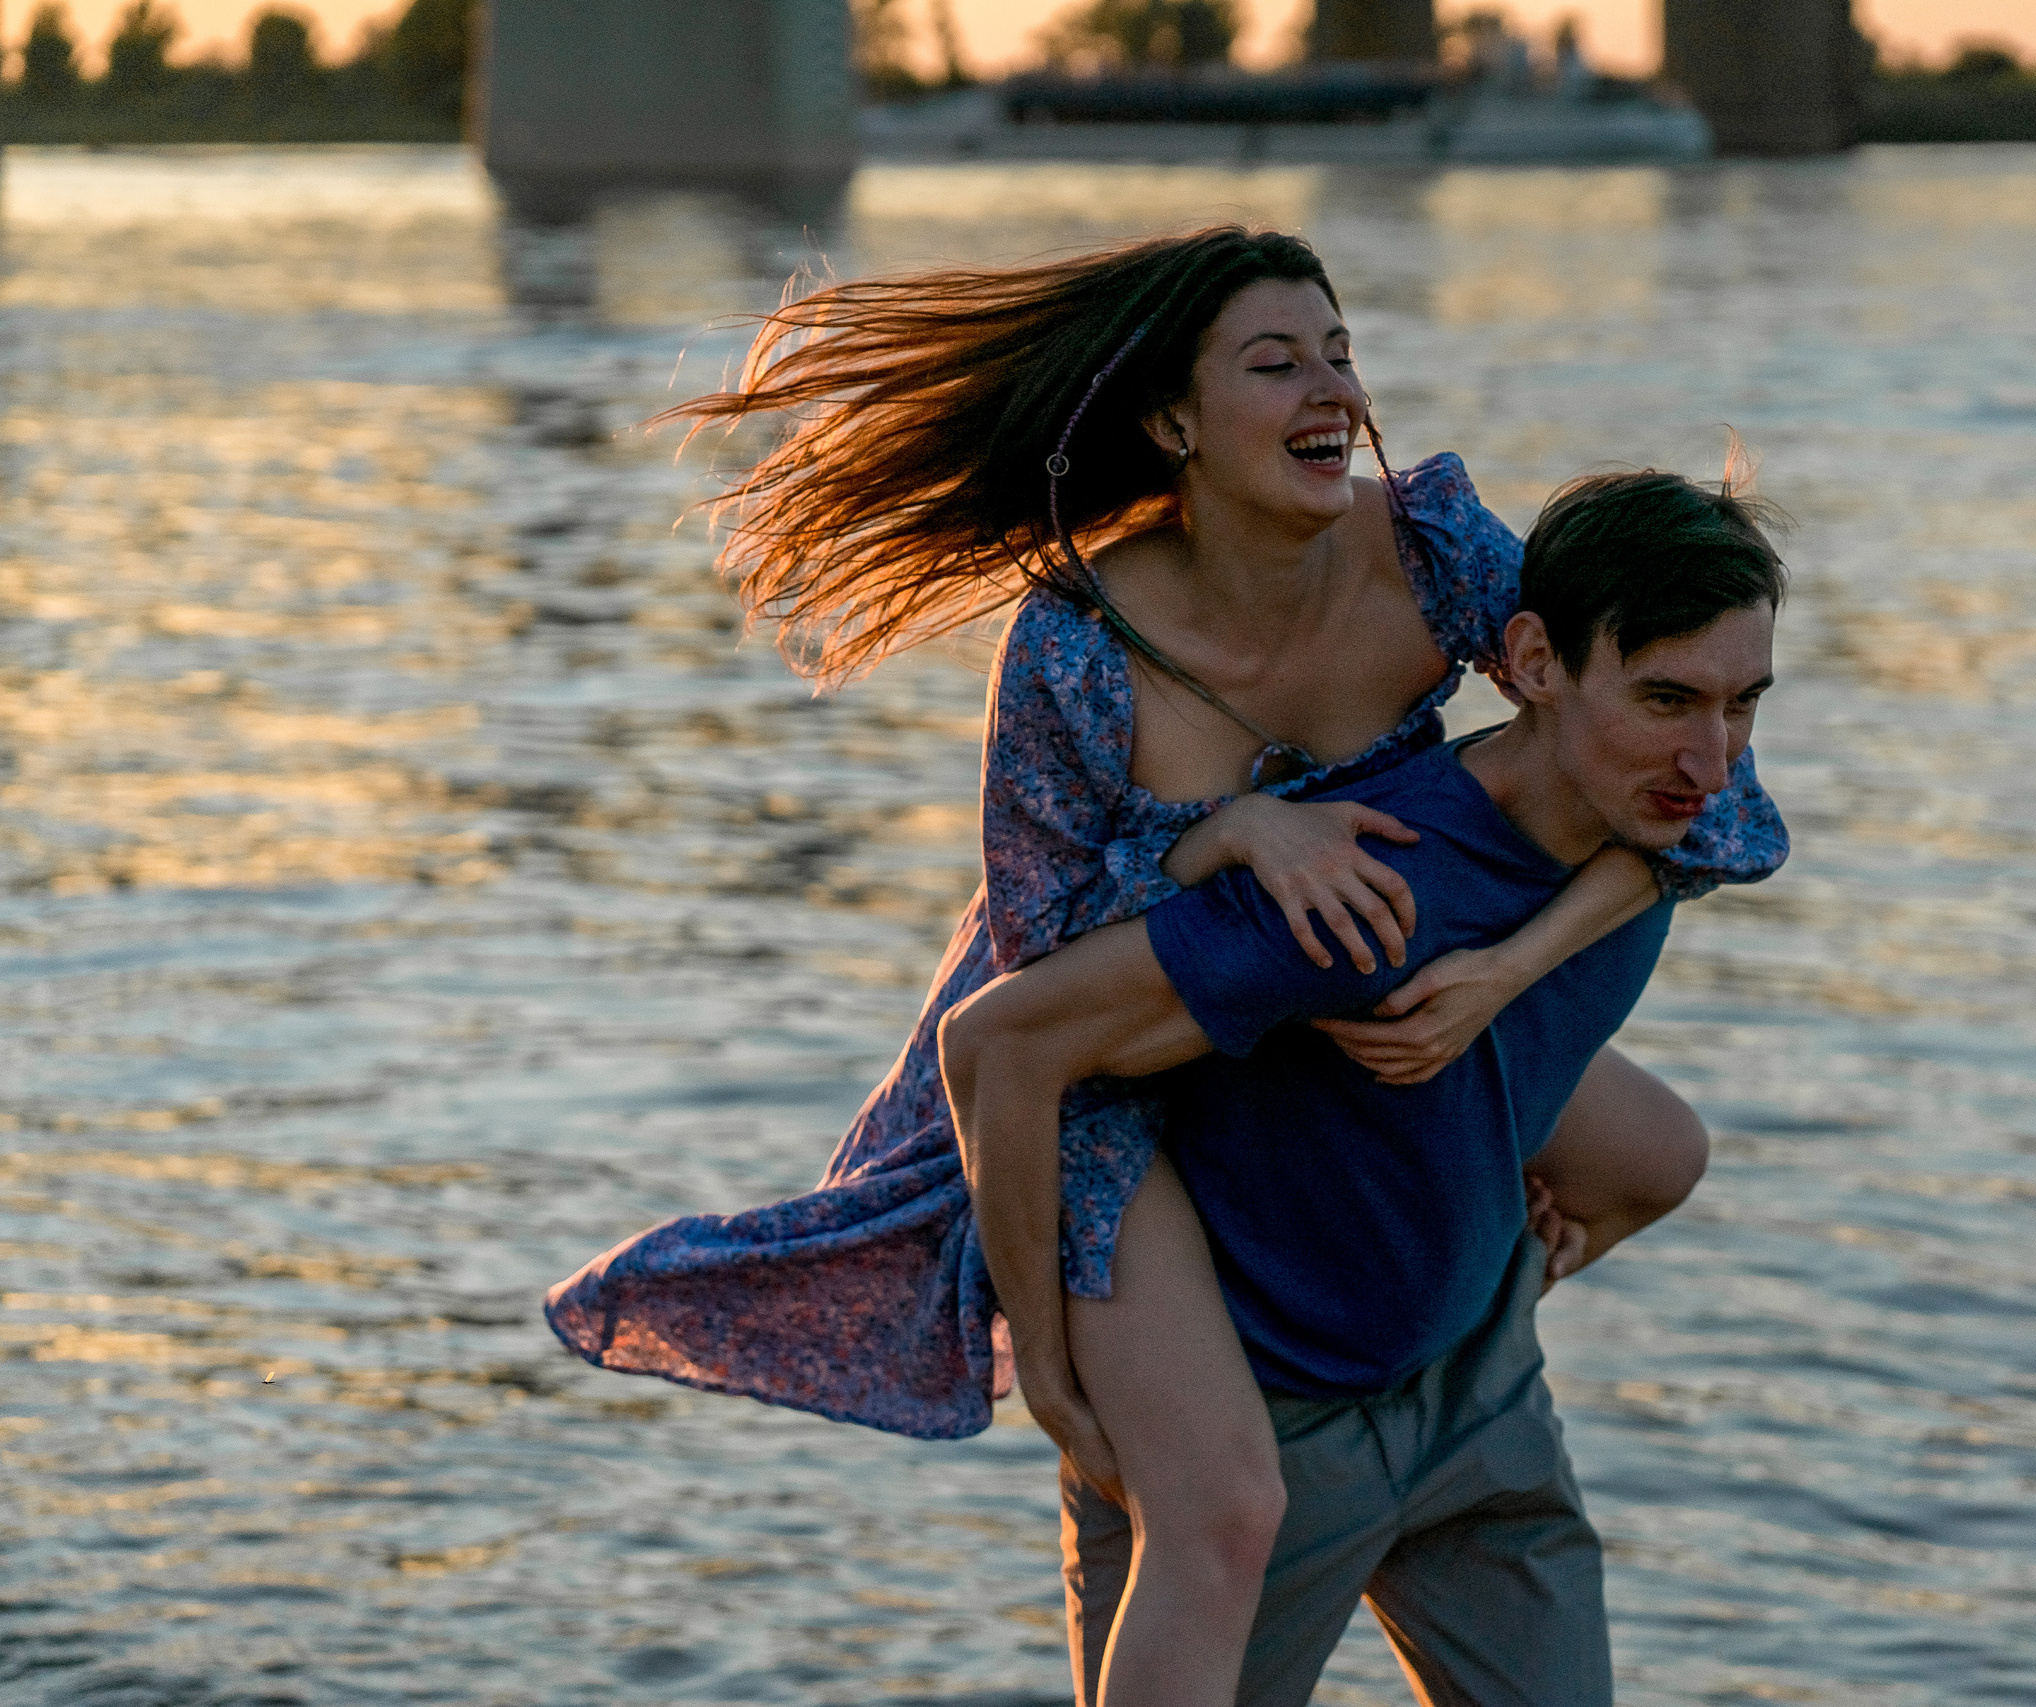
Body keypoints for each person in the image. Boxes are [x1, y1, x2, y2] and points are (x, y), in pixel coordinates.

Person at [542, 229, 1787, 1695]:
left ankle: (1447, 1355)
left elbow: (1655, 753)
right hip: (1115, 1045)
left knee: (1658, 1154)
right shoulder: (1080, 643)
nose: (1333, 389)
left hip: (1363, 958)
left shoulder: (1429, 545)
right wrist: (1229, 837)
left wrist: (1509, 969)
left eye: (1341, 353)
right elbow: (1037, 966)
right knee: (1220, 1504)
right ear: (1173, 420)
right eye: (1277, 363)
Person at [940, 467, 1787, 1704]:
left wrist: (1500, 1238)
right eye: (1666, 699)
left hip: (1482, 1408)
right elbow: (1000, 1047)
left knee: (1665, 1153)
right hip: (1271, 1442)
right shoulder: (1362, 889)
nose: (1711, 761)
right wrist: (1054, 1375)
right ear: (1532, 663)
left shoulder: (1665, 830)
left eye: (1742, 704)